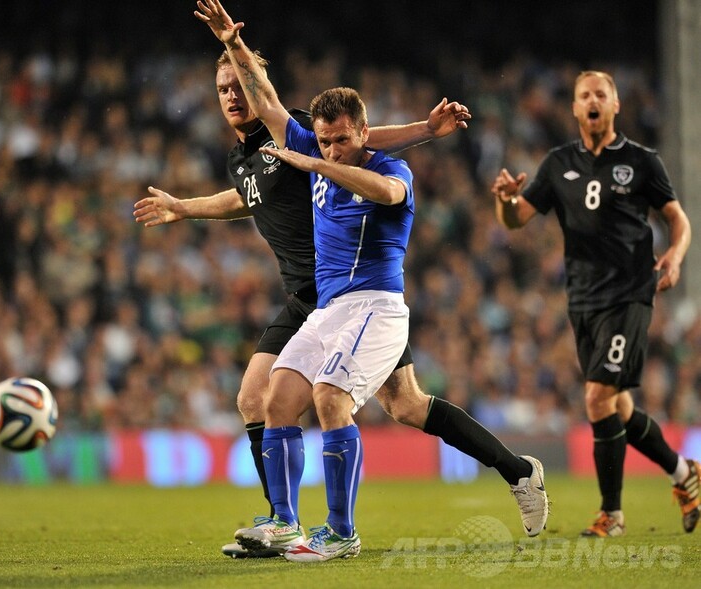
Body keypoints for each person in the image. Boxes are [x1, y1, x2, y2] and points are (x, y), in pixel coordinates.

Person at [186, 0, 548, 562]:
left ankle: (340, 531)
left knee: (335, 399)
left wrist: (319, 163)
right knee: (319, 400)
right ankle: (285, 522)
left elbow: (387, 193)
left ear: (363, 134)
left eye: (340, 140)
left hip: (374, 307)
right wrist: (232, 43)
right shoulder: (295, 148)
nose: (329, 148)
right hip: (326, 309)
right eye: (323, 142)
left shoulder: (386, 168)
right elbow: (268, 101)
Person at [491, 70, 699, 537]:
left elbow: (678, 218)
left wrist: (675, 255)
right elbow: (516, 219)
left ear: (615, 104)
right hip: (583, 299)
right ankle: (684, 471)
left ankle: (612, 514)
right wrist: (505, 201)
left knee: (597, 396)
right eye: (585, 94)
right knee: (617, 406)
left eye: (601, 94)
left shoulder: (642, 161)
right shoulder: (558, 162)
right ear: (574, 107)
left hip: (630, 292)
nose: (593, 100)